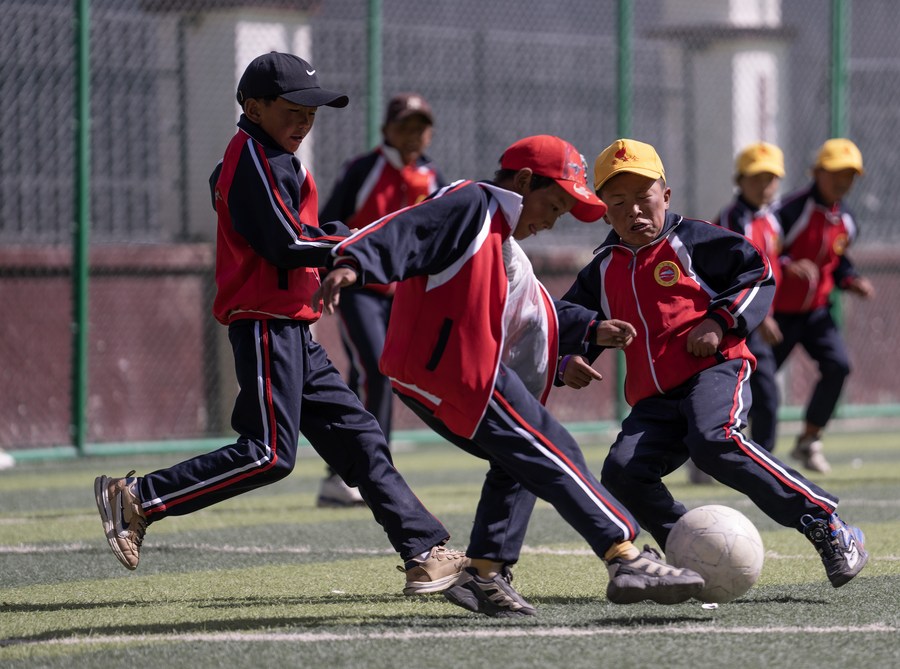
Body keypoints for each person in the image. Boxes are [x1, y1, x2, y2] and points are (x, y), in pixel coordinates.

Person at [93, 52, 467, 597]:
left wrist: (365, 237)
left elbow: (298, 229)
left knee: (362, 439)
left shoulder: (268, 156)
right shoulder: (252, 157)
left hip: (290, 325)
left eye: (312, 111)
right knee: (269, 454)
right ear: (253, 106)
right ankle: (140, 498)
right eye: (293, 109)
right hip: (267, 325)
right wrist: (363, 243)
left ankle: (423, 552)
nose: (305, 121)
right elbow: (287, 244)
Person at [314, 134, 706, 618]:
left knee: (519, 460)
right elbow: (408, 228)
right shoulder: (474, 203)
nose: (550, 222)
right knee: (553, 446)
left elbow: (532, 311)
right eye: (553, 205)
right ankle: (624, 554)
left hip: (443, 374)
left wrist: (587, 330)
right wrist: (354, 262)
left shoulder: (501, 242)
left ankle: (483, 572)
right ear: (523, 182)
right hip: (457, 372)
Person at [561, 138, 868, 590]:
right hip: (654, 399)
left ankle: (828, 523)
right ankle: (686, 547)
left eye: (644, 198)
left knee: (713, 440)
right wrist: (571, 356)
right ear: (604, 210)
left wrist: (718, 322)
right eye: (618, 202)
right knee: (623, 472)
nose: (634, 212)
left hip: (715, 371)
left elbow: (758, 271)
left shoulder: (696, 241)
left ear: (665, 196)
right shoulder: (602, 269)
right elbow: (569, 319)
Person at [316, 92, 445, 507]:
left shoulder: (431, 177)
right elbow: (329, 223)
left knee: (375, 375)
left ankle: (342, 472)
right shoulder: (364, 169)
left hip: (404, 294)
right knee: (375, 369)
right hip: (359, 289)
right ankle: (374, 473)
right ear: (386, 130)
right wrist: (333, 268)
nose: (413, 135)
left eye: (420, 127)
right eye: (404, 126)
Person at [771, 138, 875, 474]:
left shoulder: (846, 219)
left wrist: (851, 280)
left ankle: (808, 440)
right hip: (777, 313)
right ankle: (712, 444)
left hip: (816, 312)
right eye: (835, 173)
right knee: (752, 381)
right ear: (817, 173)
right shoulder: (790, 210)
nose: (842, 181)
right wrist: (787, 263)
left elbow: (838, 261)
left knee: (838, 365)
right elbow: (763, 250)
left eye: (850, 175)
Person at [713, 141, 786, 454]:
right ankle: (718, 452)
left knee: (764, 395)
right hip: (738, 319)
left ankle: (762, 459)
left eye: (770, 178)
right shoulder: (733, 219)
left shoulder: (771, 219)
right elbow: (735, 274)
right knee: (755, 393)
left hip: (758, 316)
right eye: (756, 177)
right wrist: (762, 315)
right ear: (739, 181)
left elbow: (773, 261)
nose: (764, 185)